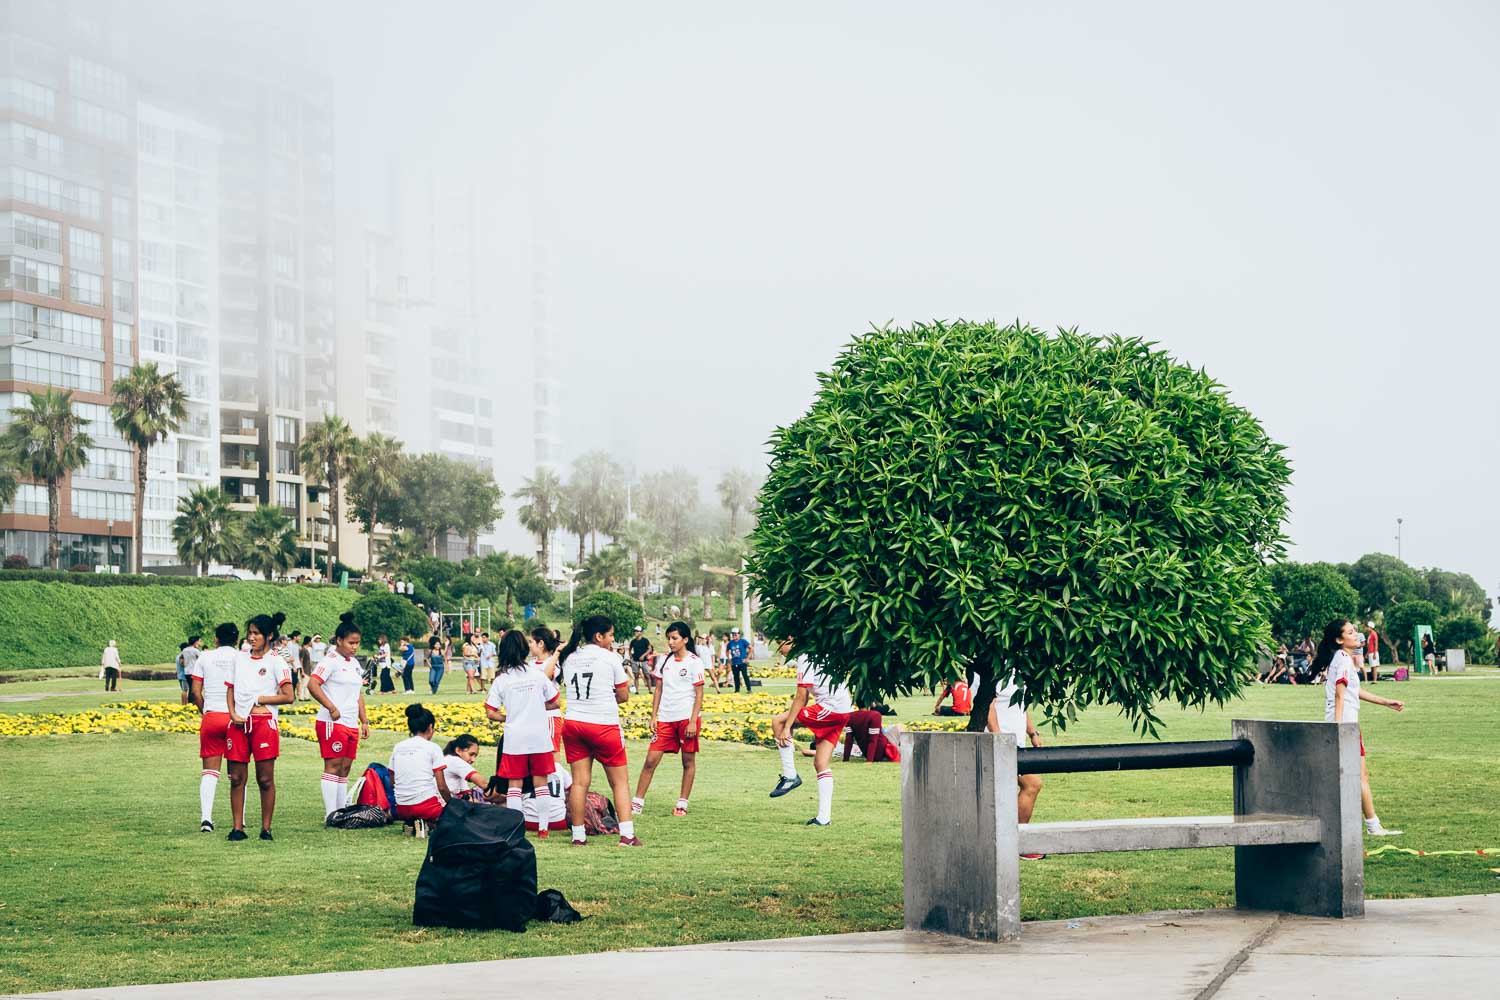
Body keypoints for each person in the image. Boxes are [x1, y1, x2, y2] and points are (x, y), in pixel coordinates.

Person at [1316, 619, 1405, 836]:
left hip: (1343, 722)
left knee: (1348, 775)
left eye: (1355, 631)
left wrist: (1386, 702)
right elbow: (1340, 693)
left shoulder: (1341, 658)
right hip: (1346, 724)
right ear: (1339, 639)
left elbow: (1352, 692)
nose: (1356, 635)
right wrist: (1338, 728)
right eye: (1350, 632)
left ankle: (1357, 823)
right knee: (1360, 777)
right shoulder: (1344, 660)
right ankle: (1373, 826)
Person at [558, 614, 641, 846]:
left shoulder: (570, 656)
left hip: (574, 723)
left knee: (579, 782)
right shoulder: (610, 657)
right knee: (619, 782)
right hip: (603, 724)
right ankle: (627, 835)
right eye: (611, 635)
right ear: (599, 636)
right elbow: (623, 695)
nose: (612, 640)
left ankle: (578, 836)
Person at [224, 612, 295, 841]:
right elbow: (231, 689)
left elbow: (288, 696)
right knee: (236, 777)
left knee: (264, 779)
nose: (251, 637)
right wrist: (233, 713)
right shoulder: (239, 658)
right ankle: (237, 828)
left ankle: (266, 828)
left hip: (264, 723)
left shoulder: (277, 661)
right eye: (250, 633)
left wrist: (261, 700)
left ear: (269, 636)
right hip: (238, 724)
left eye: (256, 633)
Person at [484, 630, 561, 838]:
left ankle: (517, 828)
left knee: (514, 785)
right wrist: (537, 706)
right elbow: (555, 701)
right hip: (539, 737)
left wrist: (507, 718)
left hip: (514, 738)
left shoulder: (501, 680)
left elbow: (491, 712)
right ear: (524, 649)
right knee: (541, 783)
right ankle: (543, 829)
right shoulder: (537, 674)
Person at [769, 637, 853, 825]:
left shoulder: (805, 656)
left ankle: (790, 776)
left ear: (791, 641)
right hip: (842, 709)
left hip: (832, 709)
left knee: (779, 723)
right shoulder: (818, 651)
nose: (779, 649)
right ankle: (823, 818)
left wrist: (788, 726)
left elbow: (801, 697)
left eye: (780, 644)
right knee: (820, 763)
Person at [632, 621, 706, 817]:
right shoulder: (664, 660)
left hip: (686, 718)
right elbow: (658, 689)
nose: (670, 642)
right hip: (665, 718)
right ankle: (637, 802)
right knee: (650, 761)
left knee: (688, 761)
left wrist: (692, 721)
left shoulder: (694, 661)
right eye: (669, 638)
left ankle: (682, 803)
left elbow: (699, 694)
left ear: (685, 640)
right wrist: (654, 716)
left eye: (674, 638)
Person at [307, 612, 371, 819]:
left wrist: (364, 720)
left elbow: (357, 694)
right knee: (333, 765)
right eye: (351, 643)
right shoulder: (330, 661)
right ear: (339, 641)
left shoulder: (353, 663)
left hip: (351, 723)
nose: (355, 647)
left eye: (358, 643)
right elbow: (313, 684)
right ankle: (330, 813)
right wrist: (331, 707)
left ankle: (341, 809)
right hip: (332, 722)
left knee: (345, 767)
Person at [987, 672, 1045, 858]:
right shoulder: (990, 666)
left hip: (1017, 742)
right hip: (1000, 741)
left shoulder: (1018, 667)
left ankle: (1012, 842)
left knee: (1023, 786)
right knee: (1029, 784)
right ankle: (1015, 844)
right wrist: (999, 737)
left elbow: (1021, 703)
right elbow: (987, 704)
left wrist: (1032, 732)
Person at [188, 622, 239, 832]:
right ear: (237, 640)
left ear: (216, 638)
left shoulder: (205, 657)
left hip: (212, 715)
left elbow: (195, 691)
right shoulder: (240, 657)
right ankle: (240, 819)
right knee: (237, 773)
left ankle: (206, 818)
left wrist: (205, 710)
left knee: (210, 771)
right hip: (234, 717)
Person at [389, 703, 452, 830]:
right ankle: (426, 823)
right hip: (426, 806)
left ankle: (413, 822)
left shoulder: (398, 747)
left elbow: (392, 782)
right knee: (453, 819)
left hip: (402, 808)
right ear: (430, 727)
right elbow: (442, 787)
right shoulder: (433, 748)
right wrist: (452, 806)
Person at [529, 626, 564, 754]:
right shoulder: (530, 664)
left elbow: (545, 677)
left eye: (531, 641)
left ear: (541, 643)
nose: (529, 645)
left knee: (552, 758)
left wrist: (556, 654)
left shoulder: (553, 662)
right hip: (533, 716)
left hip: (549, 717)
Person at [441, 734, 490, 802]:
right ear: (458, 750)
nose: (473, 760)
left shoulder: (451, 761)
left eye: (475, 756)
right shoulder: (454, 761)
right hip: (445, 802)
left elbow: (466, 794)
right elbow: (483, 783)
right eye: (471, 754)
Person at [628, 626, 654, 694]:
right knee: (636, 676)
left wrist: (644, 655)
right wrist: (631, 657)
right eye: (635, 631)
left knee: (647, 675)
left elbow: (649, 649)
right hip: (635, 660)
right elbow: (630, 649)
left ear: (641, 632)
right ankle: (637, 691)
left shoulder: (645, 640)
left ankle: (650, 690)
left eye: (637, 631)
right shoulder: (633, 641)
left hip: (644, 661)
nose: (635, 632)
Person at [726, 627, 752, 693]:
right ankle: (737, 690)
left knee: (745, 676)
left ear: (739, 634)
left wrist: (747, 658)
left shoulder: (743, 641)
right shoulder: (730, 643)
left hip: (742, 662)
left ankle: (749, 689)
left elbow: (751, 648)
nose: (734, 635)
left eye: (736, 634)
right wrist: (729, 659)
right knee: (736, 677)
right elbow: (727, 651)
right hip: (734, 662)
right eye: (733, 634)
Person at [177, 637, 200, 706]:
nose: (199, 643)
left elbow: (181, 661)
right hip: (194, 672)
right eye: (199, 641)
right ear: (195, 642)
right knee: (194, 689)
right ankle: (192, 703)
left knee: (190, 688)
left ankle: (191, 703)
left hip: (187, 672)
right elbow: (202, 659)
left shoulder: (184, 650)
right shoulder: (195, 650)